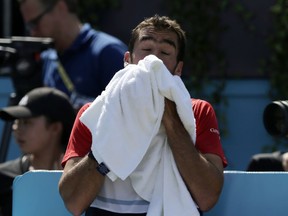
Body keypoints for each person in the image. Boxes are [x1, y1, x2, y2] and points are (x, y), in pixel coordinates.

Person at [58, 15, 228, 216]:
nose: (153, 60)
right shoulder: (93, 114)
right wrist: (109, 139)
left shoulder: (197, 112)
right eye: (146, 50)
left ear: (178, 69)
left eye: (165, 52)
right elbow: (73, 203)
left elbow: (207, 197)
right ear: (128, 60)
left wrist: (170, 118)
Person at [18, 0, 128, 110]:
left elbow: (129, 114)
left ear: (61, 7)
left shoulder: (108, 51)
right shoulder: (48, 57)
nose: (33, 32)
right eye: (29, 26)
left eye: (35, 23)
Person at [0, 87, 76, 216]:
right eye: (16, 122)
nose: (17, 128)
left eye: (26, 122)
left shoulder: (81, 180)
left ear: (55, 128)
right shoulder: (3, 178)